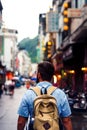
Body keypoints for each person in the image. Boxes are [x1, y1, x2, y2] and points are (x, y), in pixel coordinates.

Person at [17, 61, 73, 130]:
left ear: (39, 75)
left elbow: (21, 122)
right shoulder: (60, 94)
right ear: (52, 76)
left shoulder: (29, 94)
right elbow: (66, 121)